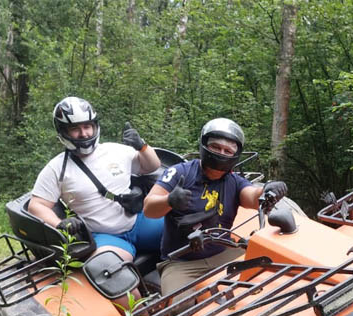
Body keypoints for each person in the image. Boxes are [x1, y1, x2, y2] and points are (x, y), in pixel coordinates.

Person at [142, 117, 288, 296]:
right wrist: (169, 200)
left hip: (223, 252)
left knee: (264, 281)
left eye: (228, 150)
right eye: (216, 147)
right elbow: (148, 208)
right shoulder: (180, 172)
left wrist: (268, 190)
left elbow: (252, 196)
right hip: (181, 262)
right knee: (179, 309)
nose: (221, 153)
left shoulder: (234, 181)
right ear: (205, 146)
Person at [28, 96, 164, 263]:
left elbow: (152, 166)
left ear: (95, 126)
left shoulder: (116, 150)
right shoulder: (57, 168)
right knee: (108, 270)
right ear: (63, 131)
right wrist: (59, 223)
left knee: (185, 231)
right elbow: (36, 205)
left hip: (141, 222)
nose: (84, 133)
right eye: (75, 129)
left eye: (87, 126)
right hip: (106, 237)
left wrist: (142, 146)